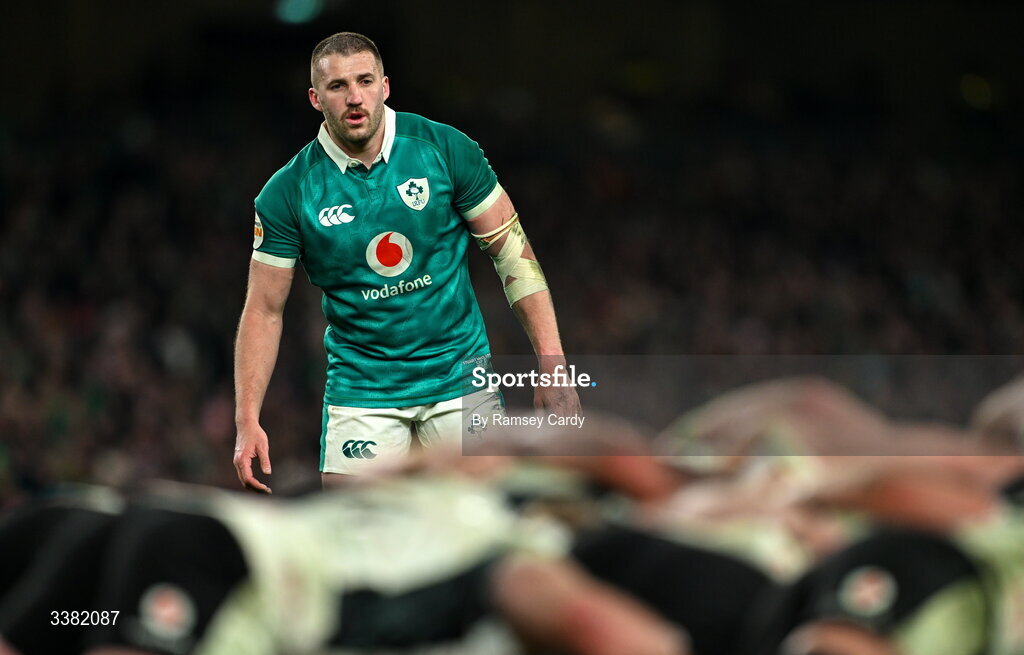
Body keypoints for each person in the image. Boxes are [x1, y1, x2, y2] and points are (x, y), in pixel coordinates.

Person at [233, 31, 579, 492]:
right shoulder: (287, 193)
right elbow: (264, 309)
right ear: (316, 98)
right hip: (362, 391)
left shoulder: (446, 149)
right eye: (338, 87)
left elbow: (513, 254)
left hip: (461, 377)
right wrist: (247, 418)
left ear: (386, 86)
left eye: (365, 81)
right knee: (362, 544)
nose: (355, 98)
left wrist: (552, 360)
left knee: (485, 530)